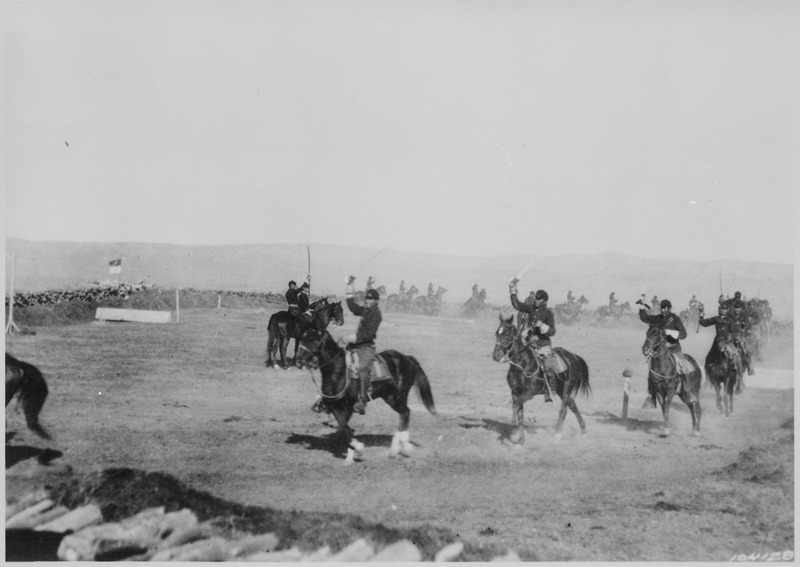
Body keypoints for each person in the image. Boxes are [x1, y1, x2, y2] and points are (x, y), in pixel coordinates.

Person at [509, 280, 559, 403]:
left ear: (544, 301)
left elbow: (552, 332)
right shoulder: (531, 309)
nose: (535, 300)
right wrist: (513, 290)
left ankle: (549, 391)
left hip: (543, 345)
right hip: (530, 344)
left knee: (548, 366)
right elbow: (517, 305)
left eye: (538, 299)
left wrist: (542, 325)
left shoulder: (548, 313)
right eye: (535, 298)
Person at [344, 275, 383, 415]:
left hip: (366, 347)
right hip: (356, 346)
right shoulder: (366, 310)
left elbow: (368, 335)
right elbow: (353, 307)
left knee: (362, 369)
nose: (367, 301)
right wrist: (350, 286)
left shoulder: (376, 315)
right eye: (366, 298)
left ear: (376, 301)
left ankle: (362, 402)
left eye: (370, 299)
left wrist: (352, 337)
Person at [636, 297, 692, 391]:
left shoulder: (675, 319)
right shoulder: (658, 318)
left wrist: (671, 332)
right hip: (660, 349)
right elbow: (644, 318)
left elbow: (684, 334)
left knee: (684, 367)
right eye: (662, 308)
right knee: (652, 368)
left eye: (665, 308)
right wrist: (642, 305)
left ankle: (687, 389)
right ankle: (652, 392)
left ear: (669, 308)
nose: (662, 310)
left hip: (674, 348)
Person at [698, 302, 745, 392]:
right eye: (721, 309)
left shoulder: (730, 320)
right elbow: (705, 323)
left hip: (728, 342)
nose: (723, 311)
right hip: (717, 341)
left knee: (738, 358)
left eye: (725, 309)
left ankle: (740, 382)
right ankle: (708, 379)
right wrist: (701, 315)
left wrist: (736, 335)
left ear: (727, 311)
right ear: (719, 310)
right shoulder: (716, 319)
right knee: (708, 358)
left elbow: (735, 330)